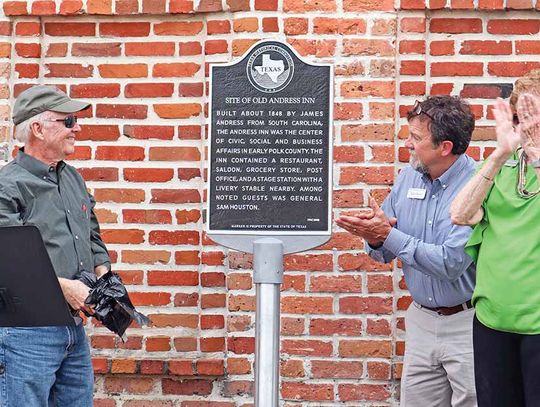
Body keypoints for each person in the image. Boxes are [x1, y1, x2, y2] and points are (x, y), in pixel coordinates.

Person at [337, 95, 477, 406]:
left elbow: (450, 262)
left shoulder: (477, 186)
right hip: (421, 321)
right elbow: (383, 250)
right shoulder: (408, 176)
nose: (408, 144)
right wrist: (375, 237)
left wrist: (387, 235)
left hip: (466, 325)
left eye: (415, 137)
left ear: (445, 147)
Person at [0, 85, 111, 407]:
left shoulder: (72, 177)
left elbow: (91, 232)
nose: (77, 128)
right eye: (68, 121)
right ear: (37, 128)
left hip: (73, 331)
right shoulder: (8, 186)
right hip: (25, 335)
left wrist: (103, 276)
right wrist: (66, 289)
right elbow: (11, 264)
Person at [450, 70, 540, 407]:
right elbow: (460, 214)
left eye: (534, 114)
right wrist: (501, 153)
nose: (528, 125)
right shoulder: (504, 163)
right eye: (521, 116)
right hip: (493, 322)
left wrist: (536, 158)